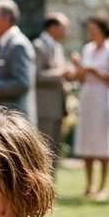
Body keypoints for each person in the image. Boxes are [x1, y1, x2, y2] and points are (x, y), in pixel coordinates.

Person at [71, 12, 109, 200]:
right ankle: (89, 185)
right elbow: (81, 78)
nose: (90, 32)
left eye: (93, 29)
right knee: (87, 141)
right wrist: (79, 67)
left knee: (103, 141)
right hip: (87, 97)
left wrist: (98, 72)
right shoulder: (87, 49)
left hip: (103, 97)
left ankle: (104, 186)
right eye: (89, 29)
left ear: (102, 29)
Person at [0, 0, 36, 126]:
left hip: (15, 122)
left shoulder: (18, 44)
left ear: (6, 18)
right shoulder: (7, 43)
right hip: (9, 121)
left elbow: (22, 83)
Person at [32, 13, 75, 164]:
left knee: (54, 151)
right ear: (53, 27)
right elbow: (36, 75)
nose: (66, 31)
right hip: (45, 107)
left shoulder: (56, 46)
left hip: (57, 107)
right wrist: (61, 73)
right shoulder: (39, 46)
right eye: (64, 27)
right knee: (43, 150)